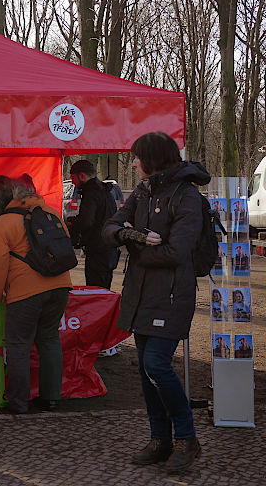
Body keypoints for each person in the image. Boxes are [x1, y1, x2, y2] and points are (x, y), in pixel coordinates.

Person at [102, 131, 209, 473]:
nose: (133, 163)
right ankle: (160, 439)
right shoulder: (143, 192)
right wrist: (134, 236)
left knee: (157, 365)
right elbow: (109, 228)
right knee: (146, 371)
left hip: (172, 295)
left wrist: (135, 249)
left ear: (153, 159)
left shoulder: (187, 196)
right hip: (141, 294)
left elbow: (177, 251)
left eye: (137, 157)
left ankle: (187, 438)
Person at [0, 175, 73, 414]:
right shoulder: (52, 214)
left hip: (25, 292)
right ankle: (51, 398)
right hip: (61, 286)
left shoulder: (2, 224)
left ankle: (18, 403)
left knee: (18, 345)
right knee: (50, 339)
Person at [66, 159, 119, 289]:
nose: (72, 182)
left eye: (73, 178)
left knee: (96, 292)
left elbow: (87, 221)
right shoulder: (105, 191)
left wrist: (72, 227)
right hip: (109, 249)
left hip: (98, 251)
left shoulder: (91, 192)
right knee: (104, 291)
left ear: (82, 176)